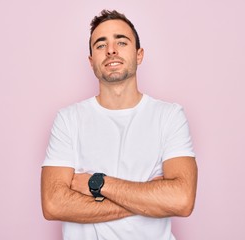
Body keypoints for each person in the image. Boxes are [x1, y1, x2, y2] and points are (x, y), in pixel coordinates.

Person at [41, 9, 198, 240]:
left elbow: (182, 200)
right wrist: (148, 198)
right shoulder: (68, 119)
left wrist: (98, 183)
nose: (111, 50)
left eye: (121, 42)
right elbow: (54, 204)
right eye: (101, 45)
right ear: (91, 60)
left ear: (139, 55)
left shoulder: (169, 116)